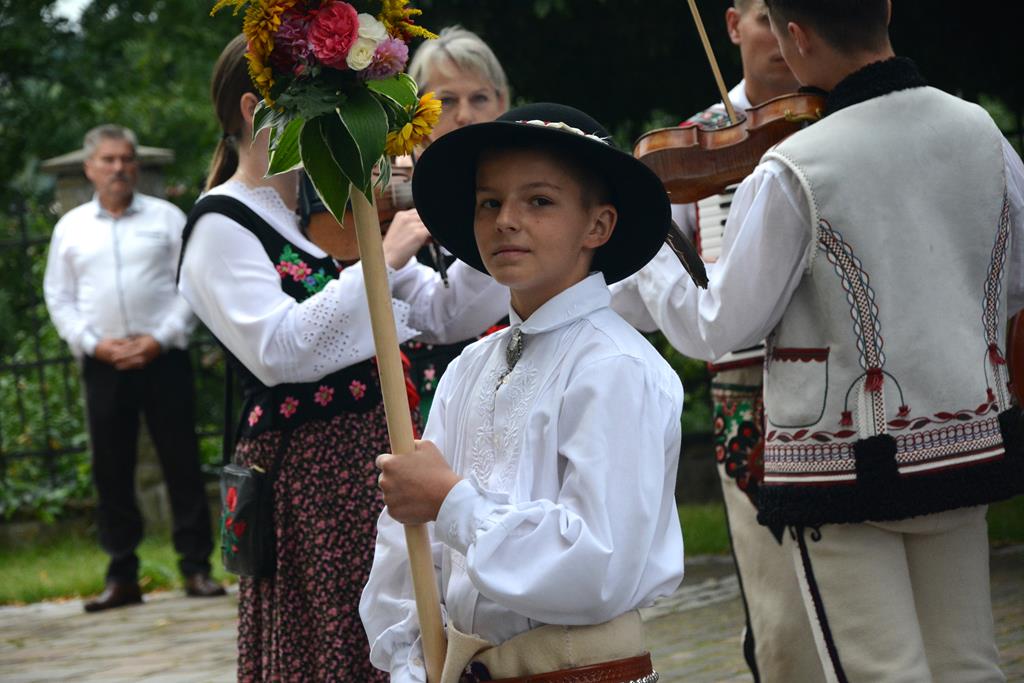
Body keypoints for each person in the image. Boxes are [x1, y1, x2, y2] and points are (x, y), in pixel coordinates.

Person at [626, 0, 1024, 680]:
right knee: (969, 664)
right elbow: (1014, 283)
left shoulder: (795, 165)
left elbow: (718, 327)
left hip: (840, 465)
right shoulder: (980, 131)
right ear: (887, 8)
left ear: (796, 36)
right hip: (966, 441)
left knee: (880, 671)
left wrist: (651, 252)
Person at [177, 35, 508, 681]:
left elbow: (443, 314)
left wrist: (485, 226)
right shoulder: (221, 223)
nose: (338, 120)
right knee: (338, 642)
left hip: (375, 459)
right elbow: (278, 351)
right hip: (313, 478)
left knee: (407, 629)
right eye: (318, 103)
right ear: (255, 109)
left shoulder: (328, 211)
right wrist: (386, 254)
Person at [361, 103, 685, 683]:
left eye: (539, 201)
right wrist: (410, 660)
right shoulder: (467, 369)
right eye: (489, 202)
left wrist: (451, 503)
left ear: (598, 226)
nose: (506, 220)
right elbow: (409, 547)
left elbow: (598, 568)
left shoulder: (614, 367)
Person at [611, 2, 824, 681]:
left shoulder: (842, 119)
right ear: (732, 26)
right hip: (749, 399)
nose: (785, 35)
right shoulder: (698, 142)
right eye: (766, 17)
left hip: (846, 387)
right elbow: (641, 301)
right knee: (779, 613)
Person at [43, 124, 224, 612]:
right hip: (102, 363)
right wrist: (93, 344)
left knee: (181, 461)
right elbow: (59, 297)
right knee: (110, 468)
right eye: (108, 160)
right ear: (89, 168)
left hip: (163, 357)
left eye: (126, 159)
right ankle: (122, 575)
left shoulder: (167, 218)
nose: (118, 168)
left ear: (137, 165)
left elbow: (191, 283)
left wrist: (159, 338)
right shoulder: (70, 228)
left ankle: (196, 568)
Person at [395, 26, 511, 416]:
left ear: (502, 102)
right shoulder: (388, 196)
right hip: (417, 406)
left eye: (479, 98)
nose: (465, 115)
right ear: (416, 111)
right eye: (446, 101)